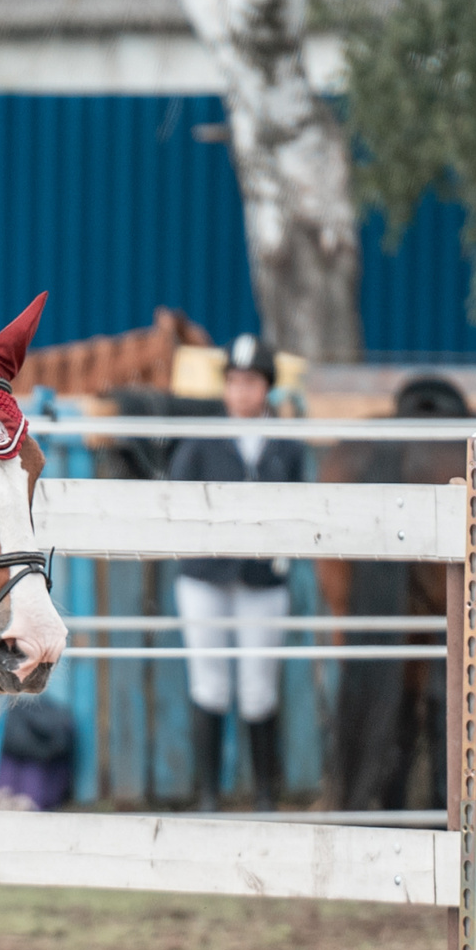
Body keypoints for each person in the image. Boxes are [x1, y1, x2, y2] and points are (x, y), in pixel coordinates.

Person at [169, 334, 305, 811]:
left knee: (258, 685)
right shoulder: (201, 441)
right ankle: (209, 794)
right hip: (205, 575)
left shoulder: (286, 444)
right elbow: (178, 498)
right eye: (233, 381)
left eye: (250, 382)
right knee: (208, 681)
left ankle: (265, 794)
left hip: (262, 578)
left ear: (266, 387)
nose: (241, 391)